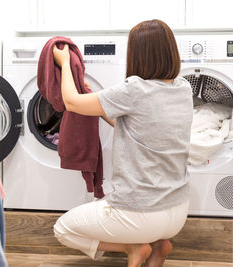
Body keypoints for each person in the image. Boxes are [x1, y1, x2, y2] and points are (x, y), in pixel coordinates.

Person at [52, 19, 193, 267]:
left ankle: (134, 246)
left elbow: (71, 102)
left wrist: (64, 64)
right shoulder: (183, 88)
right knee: (114, 210)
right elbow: (137, 129)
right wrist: (99, 104)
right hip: (178, 210)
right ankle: (159, 245)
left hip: (142, 214)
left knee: (63, 230)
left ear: (137, 55)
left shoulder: (135, 89)